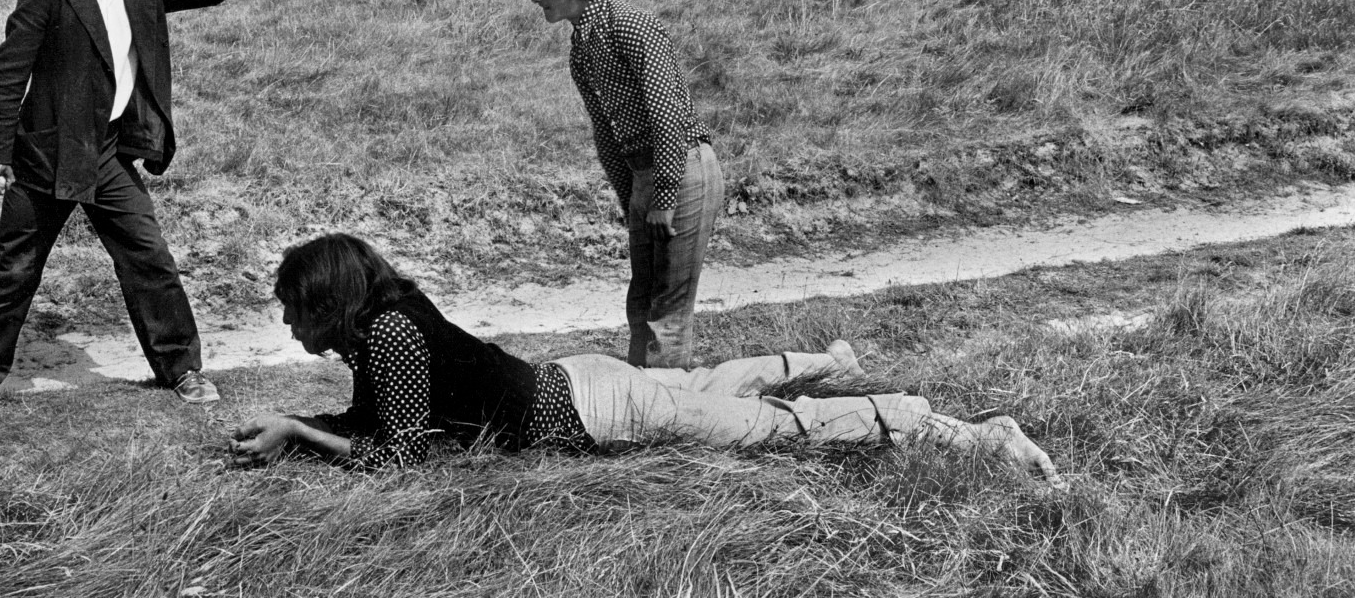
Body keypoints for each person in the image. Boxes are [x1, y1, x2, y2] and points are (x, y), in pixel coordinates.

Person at [229, 233, 1063, 485]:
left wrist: (298, 432)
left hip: (597, 410)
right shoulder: (391, 322)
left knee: (773, 430)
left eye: (294, 309)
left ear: (329, 302)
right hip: (577, 378)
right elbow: (383, 422)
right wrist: (298, 423)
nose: (289, 325)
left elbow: (397, 454)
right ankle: (824, 357)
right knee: (704, 383)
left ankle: (963, 431)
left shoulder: (389, 337)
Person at [0, 0, 272, 408]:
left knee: (150, 259)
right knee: (15, 267)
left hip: (109, 154)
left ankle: (182, 370)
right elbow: (9, 76)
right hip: (45, 156)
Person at [519, 0, 723, 368]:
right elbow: (606, 131)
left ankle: (667, 405)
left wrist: (664, 195)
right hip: (646, 176)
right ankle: (641, 398)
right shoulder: (581, 45)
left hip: (683, 168)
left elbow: (666, 114)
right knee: (641, 305)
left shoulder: (630, 26)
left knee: (666, 313)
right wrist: (630, 194)